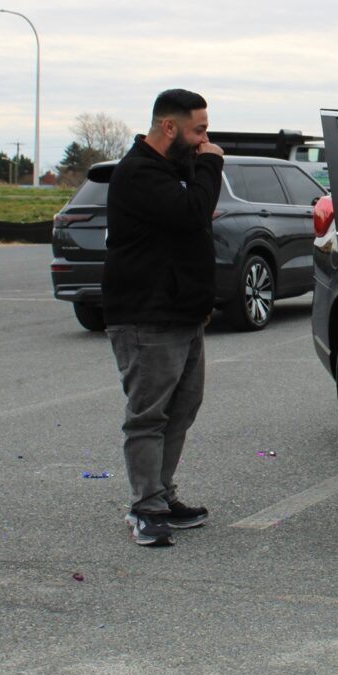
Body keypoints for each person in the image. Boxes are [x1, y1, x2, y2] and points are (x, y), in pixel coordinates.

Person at [103, 88, 225, 546]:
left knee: (182, 409)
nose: (205, 140)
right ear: (168, 126)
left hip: (183, 314)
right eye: (199, 130)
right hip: (146, 316)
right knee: (149, 415)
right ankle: (145, 507)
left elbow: (190, 223)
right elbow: (192, 213)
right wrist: (211, 164)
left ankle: (162, 492)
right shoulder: (138, 172)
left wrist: (200, 304)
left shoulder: (173, 170)